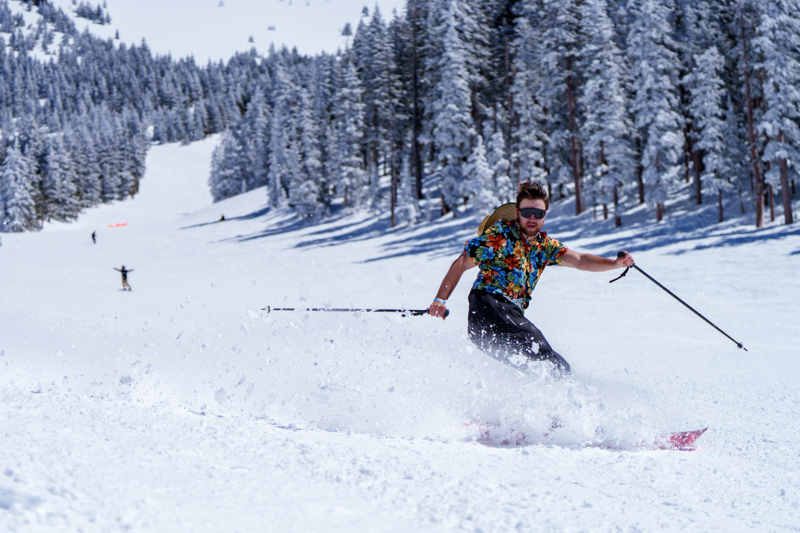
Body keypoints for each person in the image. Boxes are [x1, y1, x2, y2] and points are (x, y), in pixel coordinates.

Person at [428, 182, 634, 377]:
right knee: (550, 364)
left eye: (539, 213)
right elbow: (462, 263)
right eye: (527, 213)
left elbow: (580, 260)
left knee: (542, 369)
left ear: (545, 215)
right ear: (518, 212)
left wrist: (614, 264)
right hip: (489, 309)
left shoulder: (545, 246)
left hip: (505, 321)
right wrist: (440, 299)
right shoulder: (500, 235)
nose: (532, 218)